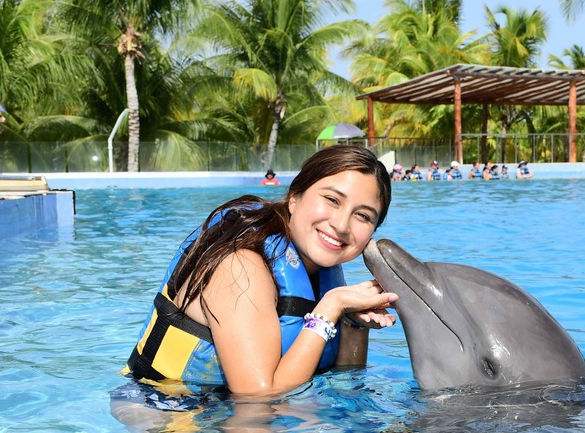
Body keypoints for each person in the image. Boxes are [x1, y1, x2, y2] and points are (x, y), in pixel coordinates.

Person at [124, 145, 398, 397]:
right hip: (164, 415)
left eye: (363, 216)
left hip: (219, 413)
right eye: (331, 199)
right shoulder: (241, 265)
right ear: (294, 197)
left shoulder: (320, 269)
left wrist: (354, 324)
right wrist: (331, 307)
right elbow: (257, 397)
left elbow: (345, 382)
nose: (341, 224)